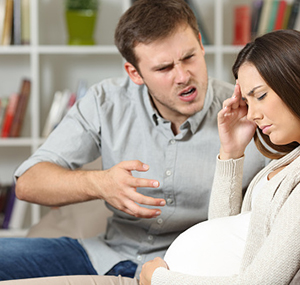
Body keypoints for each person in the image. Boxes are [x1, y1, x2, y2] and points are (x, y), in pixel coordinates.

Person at [0, 0, 266, 282]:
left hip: (182, 268)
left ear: (201, 44)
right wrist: (100, 184)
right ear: (135, 73)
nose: (183, 76)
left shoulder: (251, 113)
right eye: (163, 68)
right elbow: (28, 182)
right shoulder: (106, 102)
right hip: (104, 254)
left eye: (189, 57)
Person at [138, 29, 300, 284]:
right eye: (247, 102)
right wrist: (231, 152)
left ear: (299, 84)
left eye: (260, 96)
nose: (251, 114)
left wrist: (160, 279)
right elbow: (224, 233)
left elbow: (262, 281)